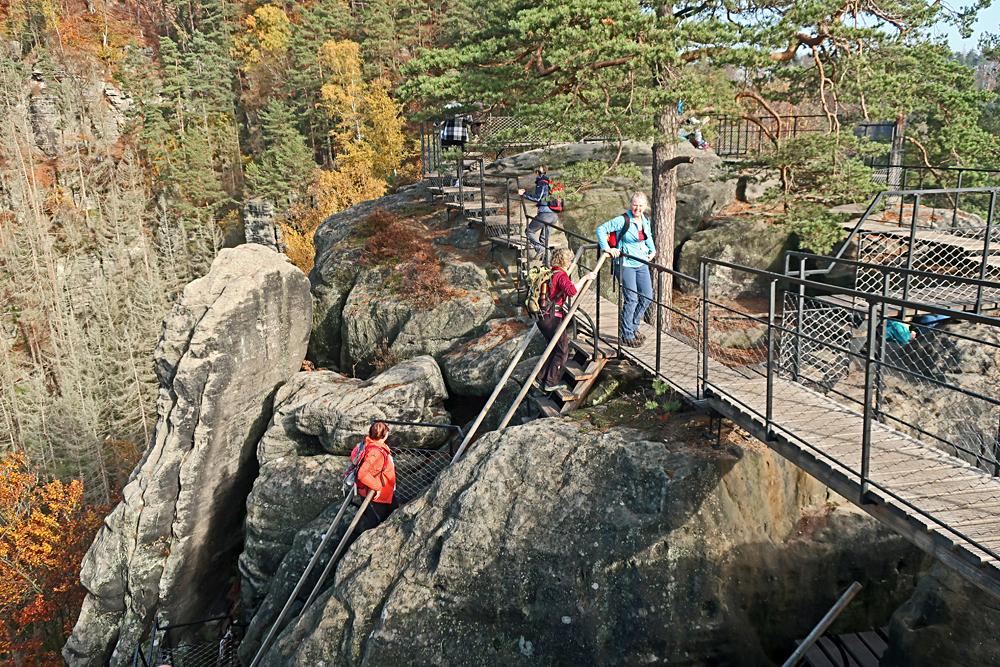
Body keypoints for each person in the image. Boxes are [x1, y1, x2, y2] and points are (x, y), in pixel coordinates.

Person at [596, 192, 655, 347]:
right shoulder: (623, 220)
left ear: (645, 206)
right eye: (635, 204)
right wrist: (607, 248)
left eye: (641, 205)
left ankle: (633, 326)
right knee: (632, 299)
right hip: (625, 263)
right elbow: (601, 229)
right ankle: (627, 334)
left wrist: (653, 251)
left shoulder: (645, 220)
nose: (638, 208)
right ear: (631, 204)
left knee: (647, 296)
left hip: (641, 263)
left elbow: (648, 237)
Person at [536, 248, 597, 392]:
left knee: (554, 347)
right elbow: (571, 291)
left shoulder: (551, 272)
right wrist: (585, 278)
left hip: (542, 317)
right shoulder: (561, 275)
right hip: (552, 318)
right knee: (563, 348)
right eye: (569, 260)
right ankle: (550, 383)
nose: (571, 262)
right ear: (564, 261)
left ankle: (541, 378)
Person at [345, 421, 398, 550]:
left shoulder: (366, 445)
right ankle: (378, 549)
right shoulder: (376, 452)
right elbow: (362, 474)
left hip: (379, 494)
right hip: (375, 496)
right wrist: (377, 486)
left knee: (393, 513)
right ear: (384, 436)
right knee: (378, 524)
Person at [518, 166, 557, 261]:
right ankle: (547, 262)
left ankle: (540, 249)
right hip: (554, 215)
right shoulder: (550, 182)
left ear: (536, 172)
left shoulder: (542, 182)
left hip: (545, 214)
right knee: (544, 240)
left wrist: (524, 194)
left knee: (529, 231)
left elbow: (537, 198)